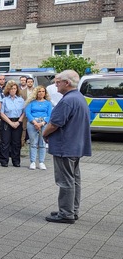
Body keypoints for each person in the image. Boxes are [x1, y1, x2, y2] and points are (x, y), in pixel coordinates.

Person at [42, 70, 92, 224]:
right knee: (74, 179)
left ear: (67, 83)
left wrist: (45, 134)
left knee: (65, 181)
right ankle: (71, 210)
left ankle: (66, 214)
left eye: (58, 82)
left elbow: (55, 123)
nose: (55, 84)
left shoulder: (67, 100)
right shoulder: (79, 98)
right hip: (75, 146)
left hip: (65, 146)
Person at [25, 86, 53, 170]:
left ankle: (41, 162)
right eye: (39, 91)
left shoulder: (48, 103)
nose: (41, 93)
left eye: (43, 91)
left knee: (42, 143)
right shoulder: (31, 102)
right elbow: (28, 113)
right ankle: (32, 162)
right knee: (33, 143)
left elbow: (49, 114)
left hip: (43, 123)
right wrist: (34, 122)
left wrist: (42, 123)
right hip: (32, 123)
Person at [0, 80, 25, 167]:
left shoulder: (21, 100)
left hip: (18, 121)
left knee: (16, 142)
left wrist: (19, 121)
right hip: (7, 121)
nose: (13, 90)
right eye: (11, 89)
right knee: (5, 142)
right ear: (8, 90)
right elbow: (1, 113)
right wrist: (10, 123)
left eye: (14, 88)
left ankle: (16, 161)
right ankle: (4, 160)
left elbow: (24, 112)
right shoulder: (4, 100)